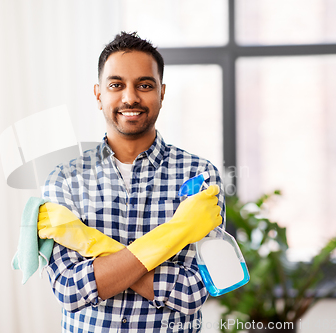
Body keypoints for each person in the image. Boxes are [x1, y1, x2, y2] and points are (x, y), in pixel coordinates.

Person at [41, 31, 225, 333]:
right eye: (116, 85)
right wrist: (177, 233)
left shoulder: (200, 176)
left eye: (144, 85)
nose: (130, 97)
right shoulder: (64, 180)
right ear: (99, 95)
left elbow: (195, 291)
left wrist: (104, 264)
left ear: (162, 93)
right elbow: (69, 290)